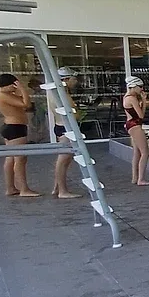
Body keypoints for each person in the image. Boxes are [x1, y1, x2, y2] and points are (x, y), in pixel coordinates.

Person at [0, 73, 39, 197]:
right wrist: (22, 89)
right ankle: (24, 189)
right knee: (20, 159)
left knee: (11, 158)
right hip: (15, 128)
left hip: (14, 127)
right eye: (13, 85)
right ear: (8, 85)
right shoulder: (2, 95)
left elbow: (23, 102)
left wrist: (19, 91)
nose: (15, 88)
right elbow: (26, 105)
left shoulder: (7, 95)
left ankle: (11, 188)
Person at [50, 67, 82, 199]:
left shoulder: (55, 93)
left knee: (65, 160)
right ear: (66, 79)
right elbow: (73, 115)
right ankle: (62, 191)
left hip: (61, 126)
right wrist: (78, 112)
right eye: (74, 79)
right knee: (63, 161)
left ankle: (57, 187)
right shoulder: (62, 95)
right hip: (66, 129)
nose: (76, 82)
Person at [124, 76, 149, 186]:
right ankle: (141, 179)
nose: (142, 89)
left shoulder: (126, 96)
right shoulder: (132, 99)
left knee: (137, 152)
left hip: (130, 124)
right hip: (135, 125)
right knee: (145, 152)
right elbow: (141, 115)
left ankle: (135, 178)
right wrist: (144, 101)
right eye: (140, 86)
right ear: (134, 86)